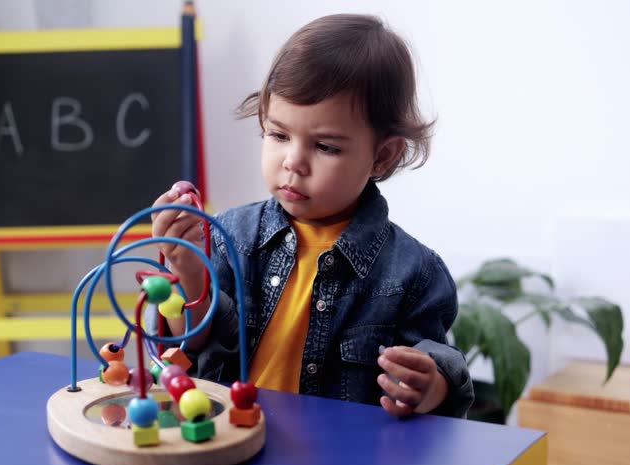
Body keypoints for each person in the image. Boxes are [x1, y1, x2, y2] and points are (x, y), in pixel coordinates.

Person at [151, 13, 473, 418]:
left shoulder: (414, 271)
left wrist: (432, 384)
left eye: (325, 147)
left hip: (341, 461)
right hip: (232, 445)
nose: (293, 162)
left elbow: (438, 361)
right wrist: (190, 274)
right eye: (279, 135)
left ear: (383, 155)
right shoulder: (227, 235)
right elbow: (193, 347)